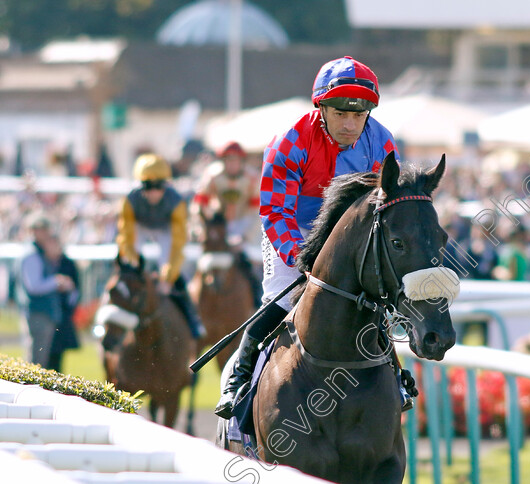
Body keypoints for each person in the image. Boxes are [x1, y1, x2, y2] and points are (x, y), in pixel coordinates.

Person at [216, 56, 400, 418]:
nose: (350, 125)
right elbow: (275, 212)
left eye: (358, 115)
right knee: (281, 299)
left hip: (346, 231)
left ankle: (397, 375)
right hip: (294, 229)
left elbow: (389, 208)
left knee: (375, 299)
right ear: (322, 108)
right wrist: (300, 258)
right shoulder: (291, 141)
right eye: (340, 114)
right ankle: (239, 380)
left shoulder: (383, 143)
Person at [116, 153, 206, 341]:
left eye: (158, 186)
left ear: (166, 185)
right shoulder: (129, 201)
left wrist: (168, 278)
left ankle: (192, 320)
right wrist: (134, 266)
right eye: (148, 187)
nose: (153, 192)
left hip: (166, 230)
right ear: (140, 185)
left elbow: (178, 243)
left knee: (173, 272)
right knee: (126, 267)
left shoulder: (177, 202)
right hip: (140, 227)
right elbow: (126, 236)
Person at [192, 141, 262, 305]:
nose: (231, 164)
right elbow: (198, 205)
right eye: (228, 160)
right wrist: (200, 228)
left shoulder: (252, 178)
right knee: (198, 256)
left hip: (245, 222)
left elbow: (257, 213)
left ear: (242, 161)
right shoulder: (212, 175)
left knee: (254, 259)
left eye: (235, 160)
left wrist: (245, 237)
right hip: (219, 224)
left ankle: (258, 299)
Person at [18, 216, 77, 367]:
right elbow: (34, 286)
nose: (46, 234)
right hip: (38, 313)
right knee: (36, 361)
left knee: (41, 360)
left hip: (42, 313)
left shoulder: (38, 253)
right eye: (42, 230)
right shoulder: (32, 255)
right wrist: (57, 281)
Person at [42, 233, 80, 372]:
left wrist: (68, 289)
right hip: (46, 313)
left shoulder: (67, 264)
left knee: (57, 358)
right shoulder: (43, 261)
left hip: (62, 315)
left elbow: (76, 292)